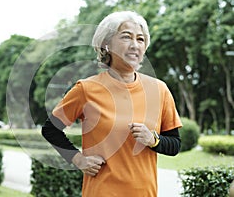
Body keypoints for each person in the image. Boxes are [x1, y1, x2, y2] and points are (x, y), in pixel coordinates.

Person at [42, 10, 182, 197]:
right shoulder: (86, 89)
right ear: (106, 44)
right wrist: (78, 160)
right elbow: (51, 129)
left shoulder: (159, 90)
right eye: (126, 37)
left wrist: (153, 140)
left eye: (140, 40)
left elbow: (174, 144)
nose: (135, 45)